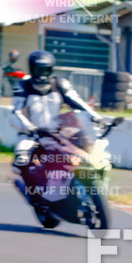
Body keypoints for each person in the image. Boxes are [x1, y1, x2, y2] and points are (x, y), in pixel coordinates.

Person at [10, 50, 102, 207]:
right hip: (31, 134)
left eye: (46, 70)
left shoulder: (59, 84)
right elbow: (16, 111)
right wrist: (30, 128)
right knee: (22, 159)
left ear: (51, 69)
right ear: (32, 69)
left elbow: (77, 102)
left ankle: (68, 187)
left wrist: (95, 116)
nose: (42, 74)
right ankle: (34, 196)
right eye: (39, 70)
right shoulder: (23, 86)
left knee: (81, 153)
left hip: (56, 132)